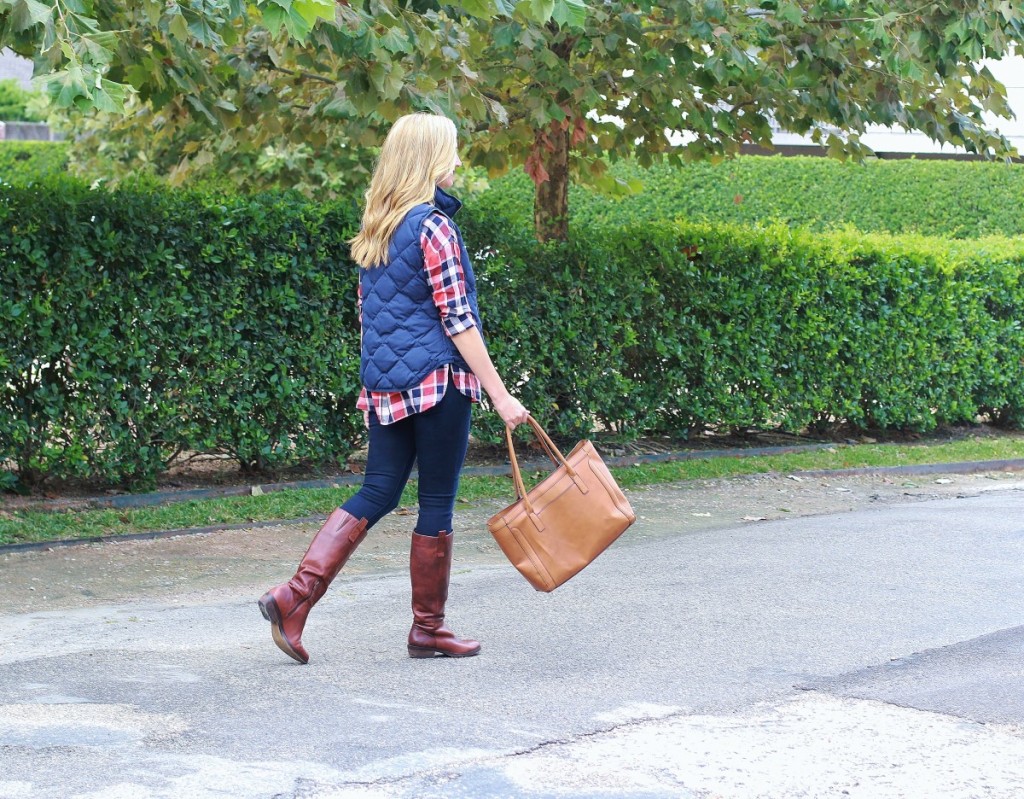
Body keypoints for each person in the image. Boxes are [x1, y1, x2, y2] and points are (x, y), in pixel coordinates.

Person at [258, 113, 529, 663]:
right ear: (430, 159)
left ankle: (295, 595)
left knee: (377, 492)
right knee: (435, 502)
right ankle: (428, 630)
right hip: (437, 384)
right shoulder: (433, 227)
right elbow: (458, 320)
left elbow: (369, 318)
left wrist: (381, 382)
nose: (458, 162)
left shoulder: (376, 229)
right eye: (452, 152)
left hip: (386, 387)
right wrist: (500, 393)